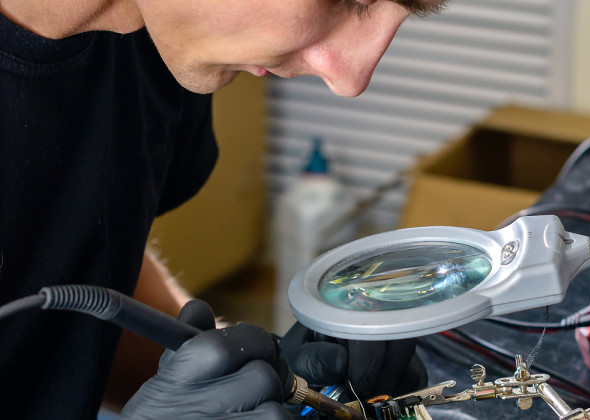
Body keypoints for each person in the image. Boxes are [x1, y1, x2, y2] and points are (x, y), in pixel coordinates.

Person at [0, 0, 446, 418]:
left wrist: (245, 375)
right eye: (353, 0)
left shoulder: (151, 36)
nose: (352, 79)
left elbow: (74, 264)